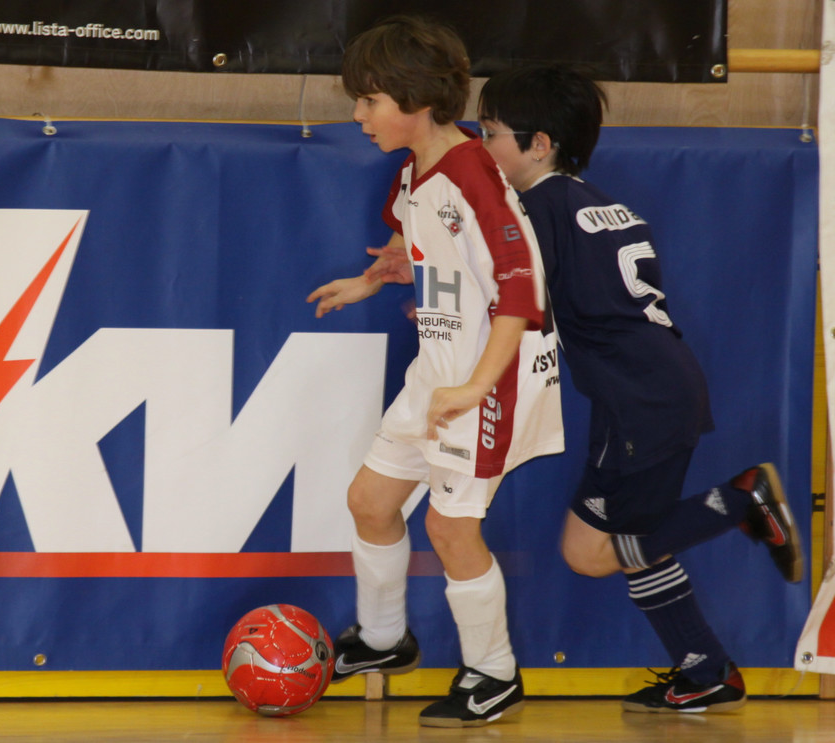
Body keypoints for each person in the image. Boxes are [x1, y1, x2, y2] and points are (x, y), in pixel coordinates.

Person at [465, 64, 804, 713]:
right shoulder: (596, 201)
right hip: (644, 393)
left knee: (596, 552)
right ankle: (706, 670)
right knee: (600, 545)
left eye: (492, 133)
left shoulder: (537, 209)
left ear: (539, 144)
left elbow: (519, 302)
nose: (483, 147)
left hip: (640, 401)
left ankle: (740, 500)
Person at [306, 16, 563, 728]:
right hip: (440, 371)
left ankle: (495, 673)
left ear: (416, 100)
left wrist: (476, 386)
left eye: (369, 101)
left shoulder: (473, 173)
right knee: (370, 500)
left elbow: (521, 290)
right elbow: (410, 240)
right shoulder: (413, 170)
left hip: (491, 378)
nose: (358, 115)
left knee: (451, 530)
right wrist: (374, 278)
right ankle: (385, 638)